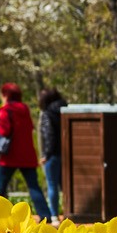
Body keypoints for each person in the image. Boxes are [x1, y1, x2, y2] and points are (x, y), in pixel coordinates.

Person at [0, 82, 52, 218]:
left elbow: (5, 131)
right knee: (34, 187)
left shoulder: (6, 110)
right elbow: (29, 127)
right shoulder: (25, 109)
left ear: (6, 95)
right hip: (27, 155)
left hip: (10, 156)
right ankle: (45, 215)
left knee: (0, 187)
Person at [38, 87, 66, 215]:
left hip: (53, 155)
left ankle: (54, 214)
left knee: (52, 185)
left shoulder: (48, 114)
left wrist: (46, 155)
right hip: (66, 154)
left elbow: (49, 136)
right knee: (65, 186)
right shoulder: (65, 111)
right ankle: (68, 211)